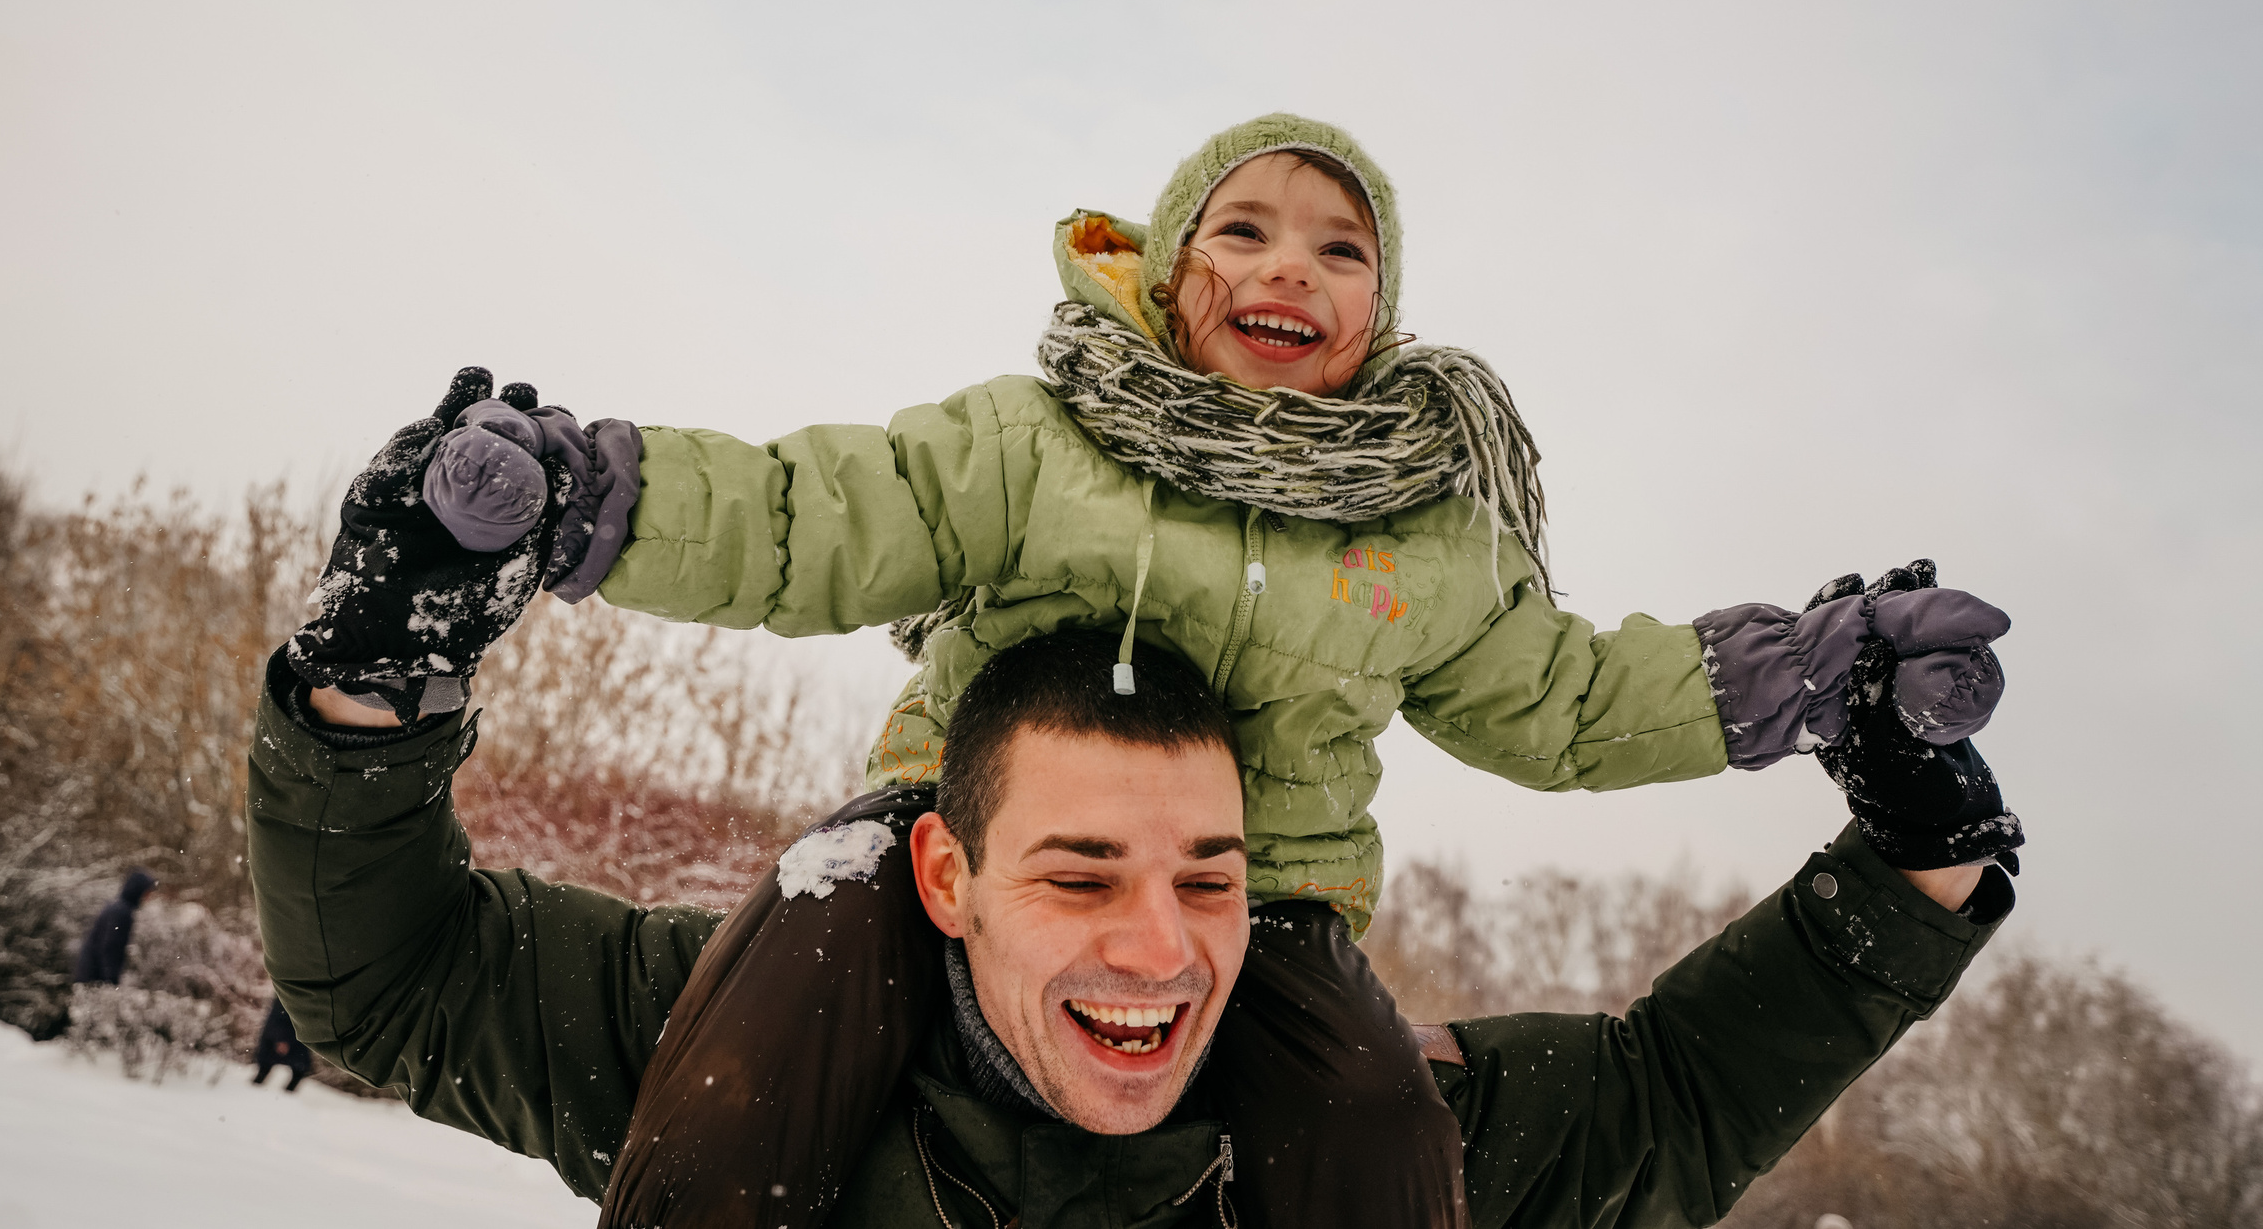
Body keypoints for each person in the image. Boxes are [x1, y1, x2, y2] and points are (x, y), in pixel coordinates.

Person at [285, 113, 2021, 1226]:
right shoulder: (1036, 447)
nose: (1293, 267)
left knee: (1367, 1111)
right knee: (777, 1009)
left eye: (1344, 249)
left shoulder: (1425, 539)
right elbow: (816, 515)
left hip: (1292, 918)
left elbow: (1563, 700)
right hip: (897, 848)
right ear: (1166, 269)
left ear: (1387, 318)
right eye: (1247, 230)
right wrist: (581, 499)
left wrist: (1803, 683)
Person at [248, 623, 2017, 1228]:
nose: (1160, 947)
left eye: (1210, 876)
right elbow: (392, 977)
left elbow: (1673, 1099)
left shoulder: (1359, 1133)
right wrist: (370, 675)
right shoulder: (716, 1040)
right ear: (945, 876)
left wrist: (1916, 850)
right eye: (1081, 873)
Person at [70, 867, 155, 987]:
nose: (148, 897)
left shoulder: (118, 908)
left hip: (88, 975)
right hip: (94, 979)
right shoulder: (121, 912)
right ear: (138, 890)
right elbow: (111, 946)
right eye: (147, 892)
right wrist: (110, 981)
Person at [253, 996, 311, 1090]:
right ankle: (255, 1087)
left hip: (296, 1035)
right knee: (265, 1065)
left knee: (300, 1068)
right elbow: (277, 1017)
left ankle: (288, 1093)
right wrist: (281, 1039)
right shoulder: (286, 996)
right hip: (282, 1035)